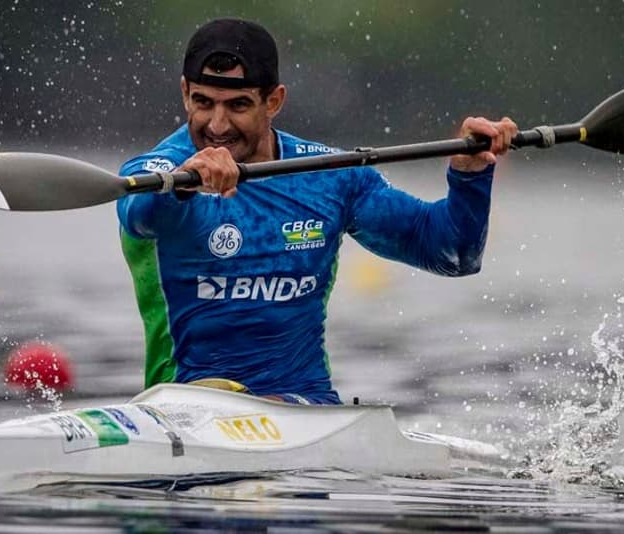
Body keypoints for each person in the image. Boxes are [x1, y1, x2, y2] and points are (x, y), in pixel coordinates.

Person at [117, 18, 517, 405]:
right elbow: (139, 213)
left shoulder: (329, 177)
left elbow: (452, 253)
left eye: (238, 105)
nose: (218, 125)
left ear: (274, 101)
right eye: (203, 102)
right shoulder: (157, 173)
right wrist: (184, 184)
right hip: (184, 406)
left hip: (306, 411)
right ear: (185, 92)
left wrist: (470, 175)